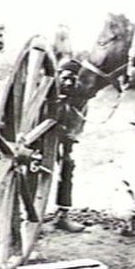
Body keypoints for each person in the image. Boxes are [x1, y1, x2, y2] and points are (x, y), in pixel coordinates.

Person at [53, 59, 88, 232]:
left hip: (64, 139)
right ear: (57, 75)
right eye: (65, 78)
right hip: (40, 140)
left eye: (72, 80)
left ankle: (63, 215)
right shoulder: (45, 93)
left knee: (68, 167)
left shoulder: (79, 100)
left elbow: (76, 126)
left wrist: (66, 149)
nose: (67, 83)